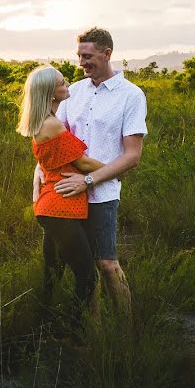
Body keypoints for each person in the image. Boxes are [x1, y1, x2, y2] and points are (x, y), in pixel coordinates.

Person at [51, 27, 147, 318]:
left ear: (107, 54)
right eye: (79, 56)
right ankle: (92, 333)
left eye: (88, 56)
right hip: (67, 192)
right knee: (83, 268)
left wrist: (89, 179)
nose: (81, 63)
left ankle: (126, 335)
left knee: (107, 264)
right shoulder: (74, 93)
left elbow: (132, 156)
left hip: (101, 194)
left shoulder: (130, 95)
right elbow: (55, 139)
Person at [17, 66, 107, 315]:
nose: (68, 85)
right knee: (87, 277)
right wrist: (116, 169)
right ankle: (75, 331)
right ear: (50, 92)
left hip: (55, 206)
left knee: (53, 274)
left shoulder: (46, 122)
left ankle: (44, 325)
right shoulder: (52, 125)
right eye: (62, 83)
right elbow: (84, 163)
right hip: (60, 208)